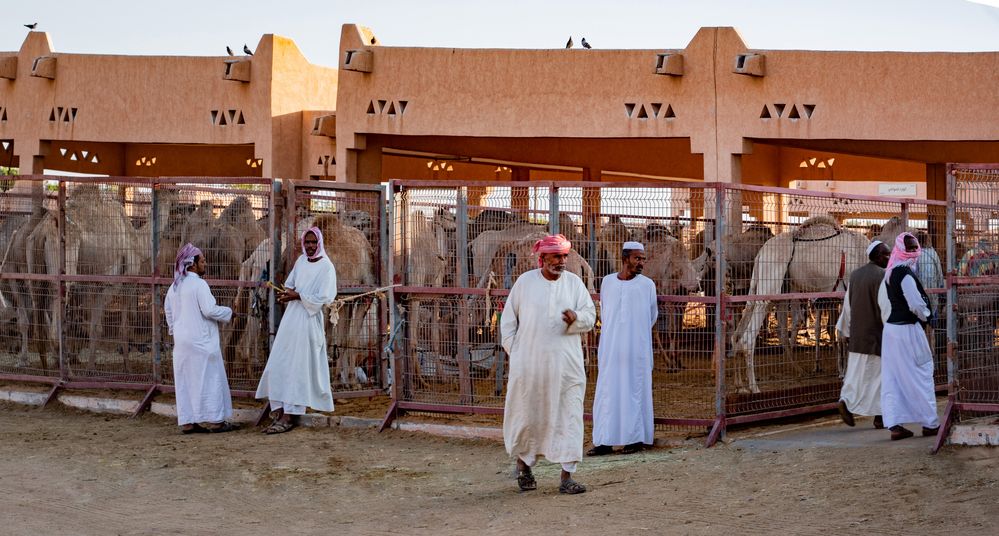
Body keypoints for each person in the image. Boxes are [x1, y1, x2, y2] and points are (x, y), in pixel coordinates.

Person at [501, 234, 596, 494]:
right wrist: (517, 354)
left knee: (570, 416)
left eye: (564, 256)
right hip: (529, 367)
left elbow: (591, 315)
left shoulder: (574, 284)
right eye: (556, 256)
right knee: (527, 415)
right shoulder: (524, 283)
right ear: (542, 258)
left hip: (566, 366)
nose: (561, 261)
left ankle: (567, 478)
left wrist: (576, 318)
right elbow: (507, 324)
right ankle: (524, 468)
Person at [255, 227, 337, 434]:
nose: (309, 246)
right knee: (280, 363)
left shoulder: (327, 267)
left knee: (298, 367)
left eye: (313, 242)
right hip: (291, 320)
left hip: (308, 322)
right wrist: (286, 294)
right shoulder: (300, 262)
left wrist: (298, 296)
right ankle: (279, 409)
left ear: (319, 243)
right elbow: (290, 285)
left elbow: (325, 297)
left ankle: (290, 414)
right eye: (306, 242)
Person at [588, 241, 658, 456]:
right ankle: (604, 440)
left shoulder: (647, 285)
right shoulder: (608, 282)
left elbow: (652, 315)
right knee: (608, 392)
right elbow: (606, 313)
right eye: (637, 258)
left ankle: (634, 439)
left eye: (643, 259)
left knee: (634, 390)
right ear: (625, 258)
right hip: (610, 348)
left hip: (636, 349)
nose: (641, 263)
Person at [164, 243, 237, 434]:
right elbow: (210, 310)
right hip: (202, 342)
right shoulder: (199, 284)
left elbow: (168, 313)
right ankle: (216, 422)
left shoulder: (174, 287)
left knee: (186, 381)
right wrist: (229, 312)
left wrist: (176, 331)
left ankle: (188, 422)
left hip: (181, 344)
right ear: (193, 264)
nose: (205, 264)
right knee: (210, 379)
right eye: (202, 261)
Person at [878, 232, 939, 440]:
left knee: (893, 377)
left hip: (892, 332)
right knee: (922, 373)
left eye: (915, 247)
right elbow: (916, 305)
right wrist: (928, 316)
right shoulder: (904, 274)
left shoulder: (891, 272)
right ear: (901, 249)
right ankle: (930, 423)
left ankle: (895, 425)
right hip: (908, 331)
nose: (914, 251)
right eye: (910, 248)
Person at [835, 240, 890, 429]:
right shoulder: (883, 276)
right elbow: (886, 308)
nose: (888, 257)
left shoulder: (855, 275)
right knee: (879, 377)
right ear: (875, 255)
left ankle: (846, 401)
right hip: (877, 335)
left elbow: (848, 306)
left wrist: (848, 330)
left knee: (855, 375)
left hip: (858, 335)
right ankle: (880, 416)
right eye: (885, 254)